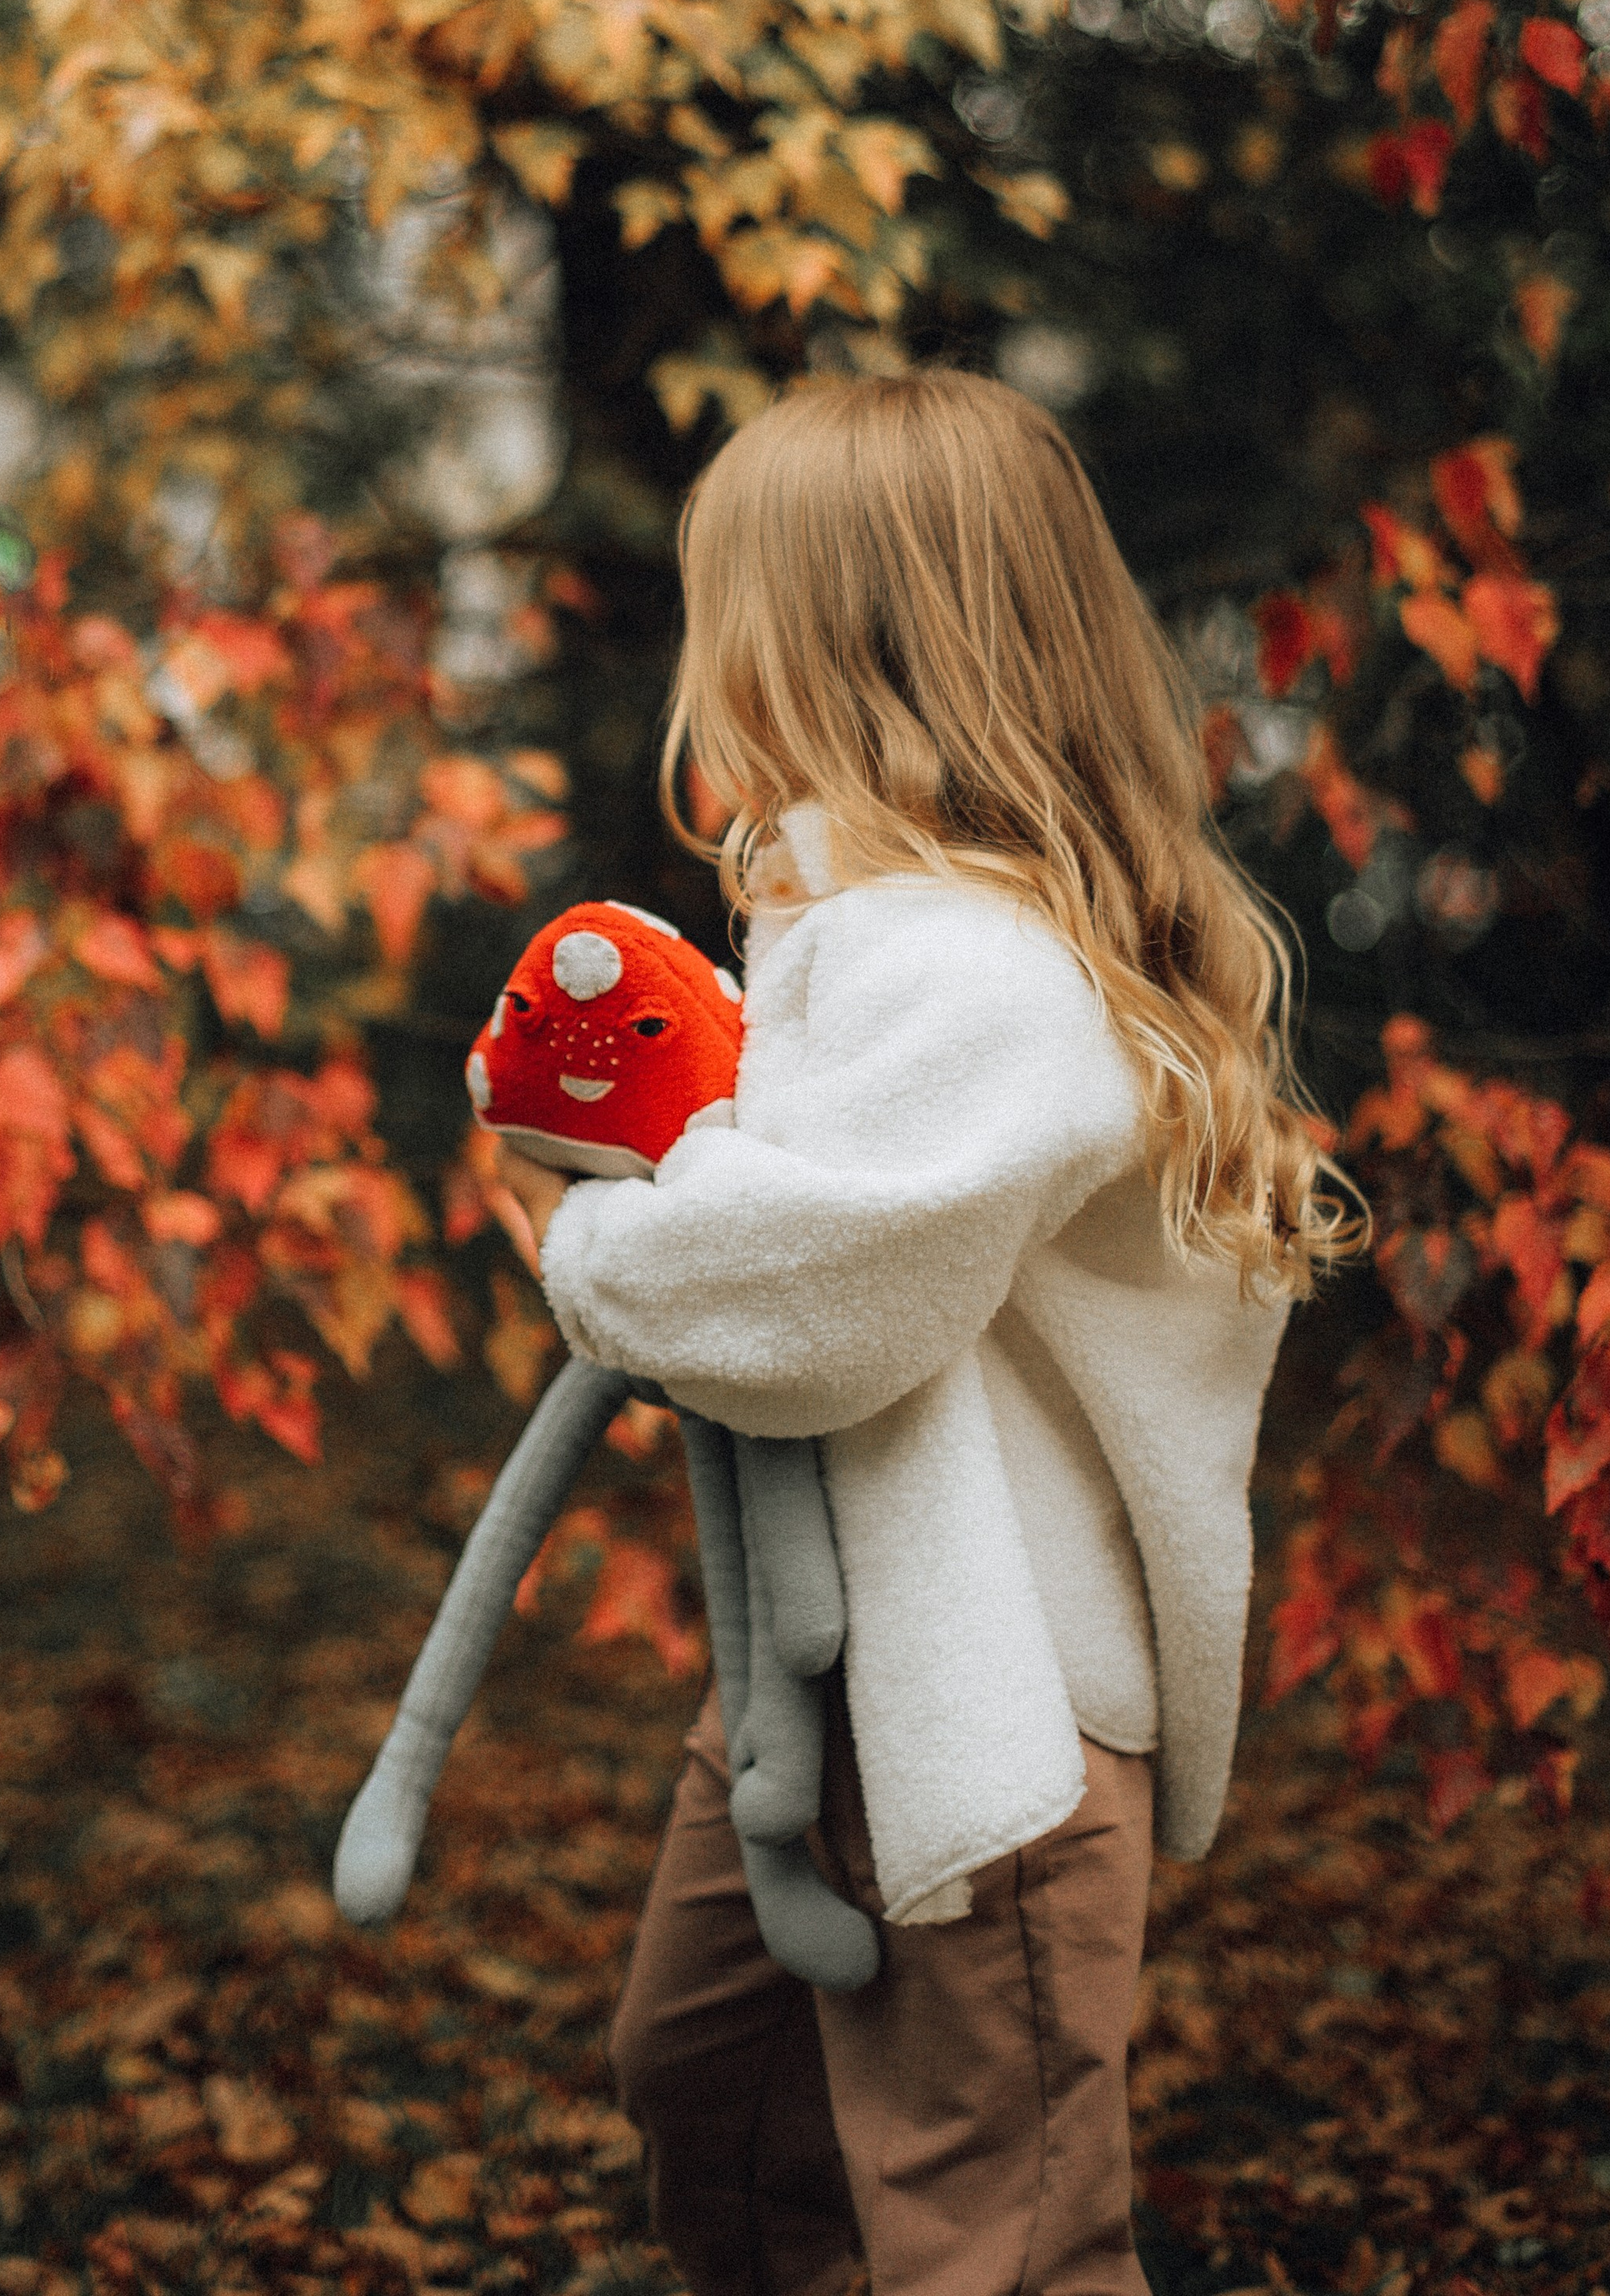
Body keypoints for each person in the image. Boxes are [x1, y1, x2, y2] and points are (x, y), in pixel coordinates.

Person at [492, 369, 1357, 2296]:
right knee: (712, 2079)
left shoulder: (979, 967)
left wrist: (588, 1229)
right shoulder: (870, 932)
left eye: (731, 620)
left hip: (989, 1695)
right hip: (837, 1673)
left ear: (833, 650)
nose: (708, 671)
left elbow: (824, 1285)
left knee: (990, 2212)